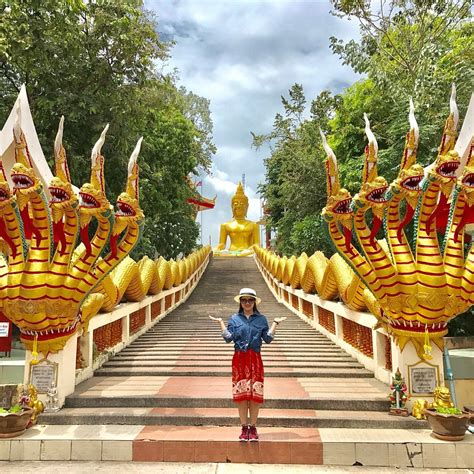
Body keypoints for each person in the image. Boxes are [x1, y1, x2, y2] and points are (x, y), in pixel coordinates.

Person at [209, 287, 286, 441]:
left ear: (254, 302)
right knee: (241, 395)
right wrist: (221, 323)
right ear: (240, 302)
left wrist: (275, 324)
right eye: (244, 300)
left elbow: (268, 339)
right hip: (239, 359)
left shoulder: (261, 319)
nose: (247, 303)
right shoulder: (234, 319)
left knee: (255, 395)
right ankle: (244, 428)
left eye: (250, 300)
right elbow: (228, 338)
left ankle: (253, 427)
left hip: (255, 359)